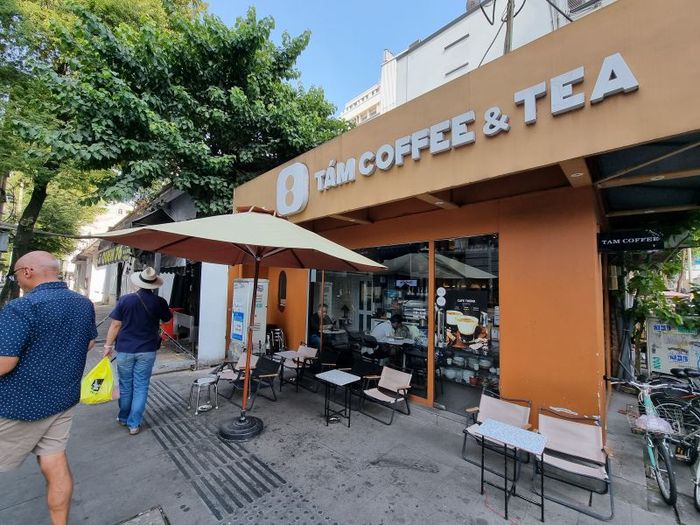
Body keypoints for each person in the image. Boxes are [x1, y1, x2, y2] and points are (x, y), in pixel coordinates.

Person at [0, 251, 97, 525]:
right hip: (62, 399)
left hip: (16, 404)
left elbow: (4, 363)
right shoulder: (83, 304)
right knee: (54, 463)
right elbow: (89, 342)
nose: (17, 280)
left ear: (27, 271)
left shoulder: (21, 307)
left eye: (15, 275)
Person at [103, 267, 171, 435]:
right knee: (141, 386)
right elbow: (167, 319)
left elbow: (115, 325)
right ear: (154, 284)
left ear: (139, 283)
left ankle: (123, 417)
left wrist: (108, 346)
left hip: (125, 349)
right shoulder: (159, 302)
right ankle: (134, 424)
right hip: (147, 350)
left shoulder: (125, 300)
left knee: (125, 385)